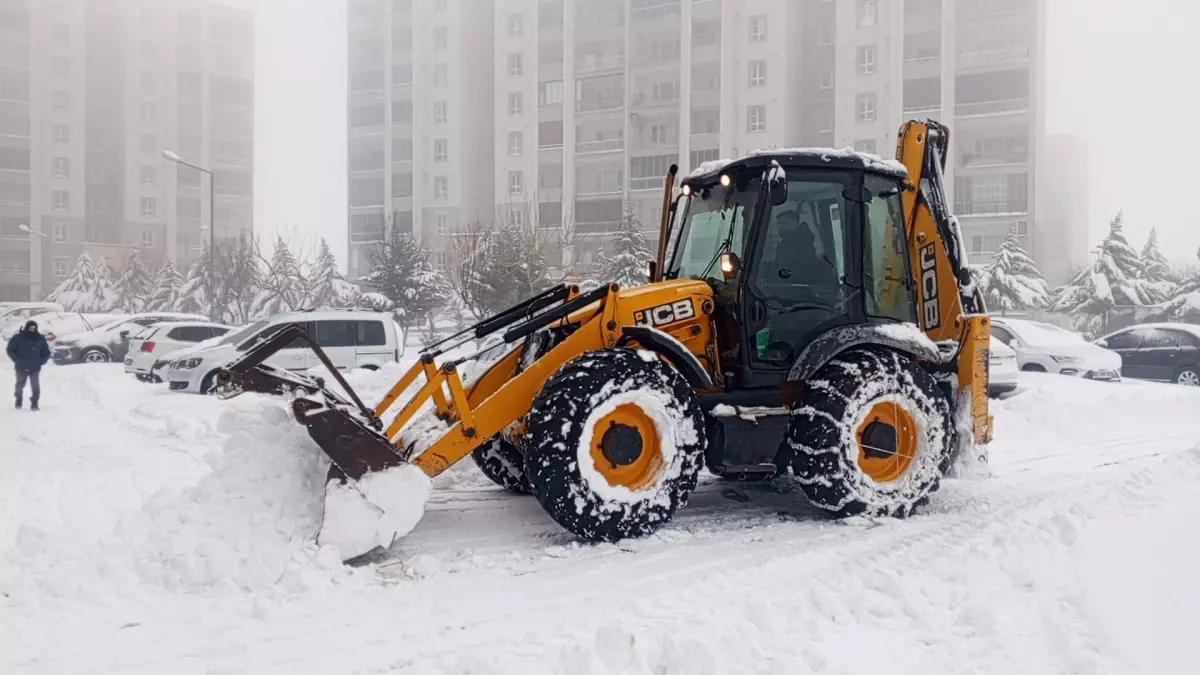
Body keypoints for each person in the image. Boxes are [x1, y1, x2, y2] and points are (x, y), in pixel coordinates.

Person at [7, 320, 50, 410]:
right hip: (21, 366)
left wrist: (42, 361)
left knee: (35, 385)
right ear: (26, 327)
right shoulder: (18, 337)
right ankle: (18, 398)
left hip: (35, 366)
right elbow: (10, 349)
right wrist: (17, 360)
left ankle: (34, 402)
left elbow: (46, 352)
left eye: (34, 328)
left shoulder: (40, 338)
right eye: (30, 328)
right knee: (20, 384)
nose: (32, 330)